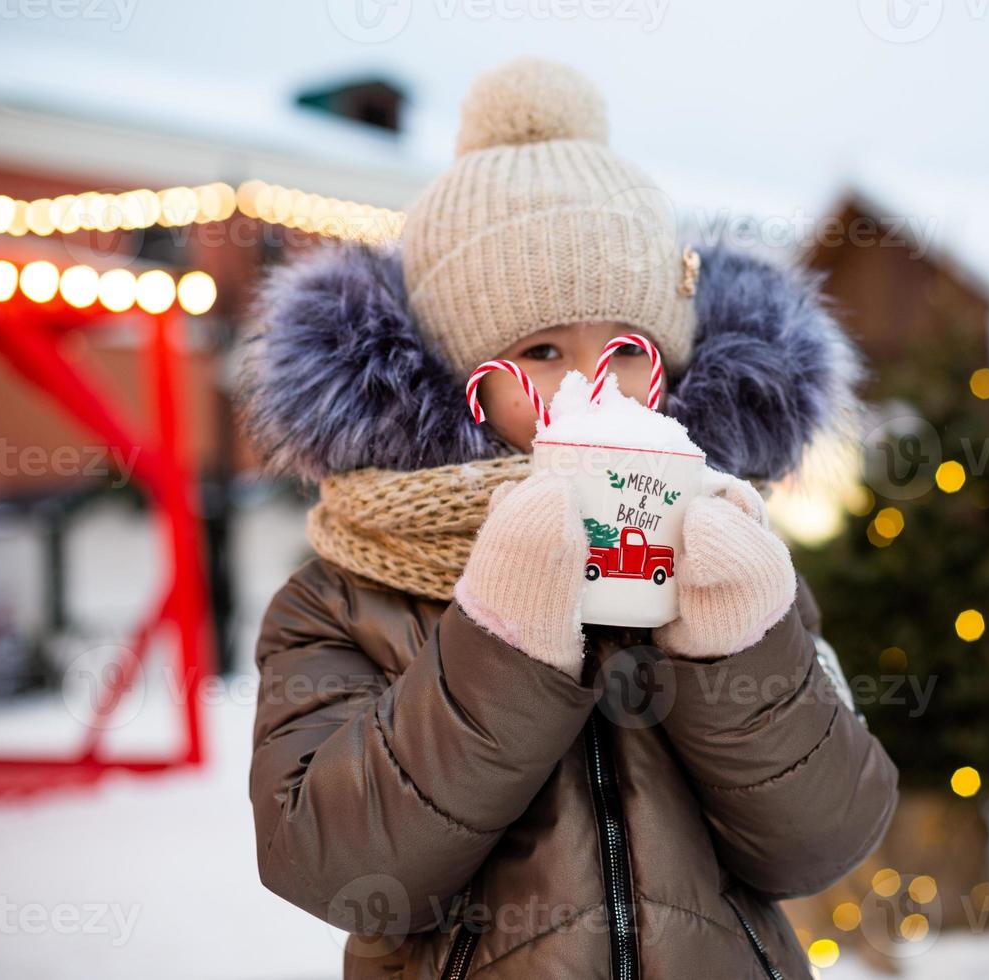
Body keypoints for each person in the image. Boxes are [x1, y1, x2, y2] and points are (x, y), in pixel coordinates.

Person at [240, 56, 898, 979]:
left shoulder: (723, 536)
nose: (592, 387)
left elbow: (824, 841)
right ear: (457, 378)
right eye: (541, 350)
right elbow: (335, 867)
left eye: (628, 351)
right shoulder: (345, 596)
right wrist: (500, 641)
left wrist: (740, 644)